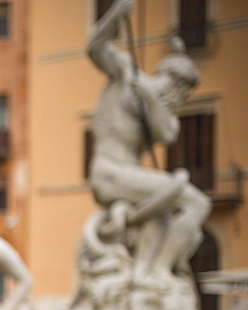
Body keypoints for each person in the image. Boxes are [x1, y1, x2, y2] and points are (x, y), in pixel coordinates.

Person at [86, 0, 211, 289]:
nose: (178, 99)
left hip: (130, 182)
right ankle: (154, 273)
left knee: (181, 218)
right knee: (196, 202)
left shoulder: (164, 116)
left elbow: (165, 133)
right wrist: (115, 15)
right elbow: (93, 46)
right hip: (109, 172)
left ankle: (154, 269)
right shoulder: (125, 73)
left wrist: (153, 99)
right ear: (168, 78)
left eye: (184, 96)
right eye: (178, 90)